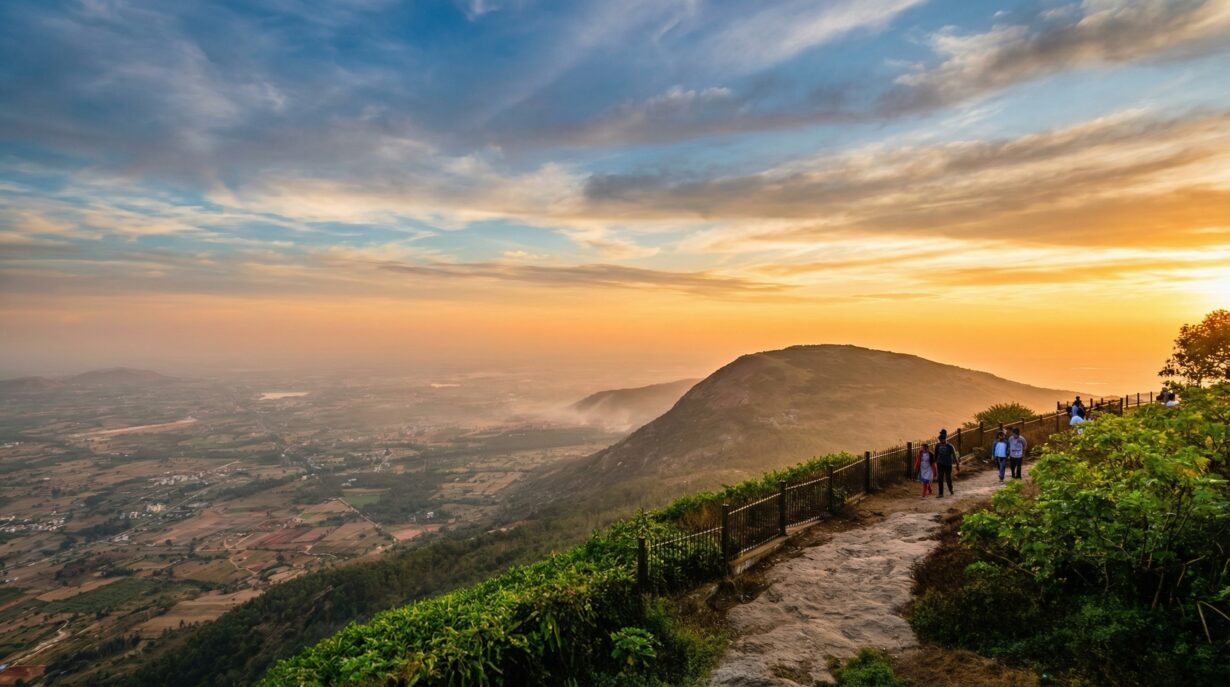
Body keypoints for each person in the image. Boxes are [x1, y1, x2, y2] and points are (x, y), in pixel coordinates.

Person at [933, 429, 957, 497]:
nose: (940, 441)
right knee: (940, 478)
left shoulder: (950, 446)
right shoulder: (937, 445)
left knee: (948, 478)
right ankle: (941, 493)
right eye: (940, 440)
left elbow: (954, 455)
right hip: (940, 464)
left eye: (941, 440)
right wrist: (934, 462)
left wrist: (957, 463)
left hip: (948, 464)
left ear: (945, 439)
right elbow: (936, 454)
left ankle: (951, 489)